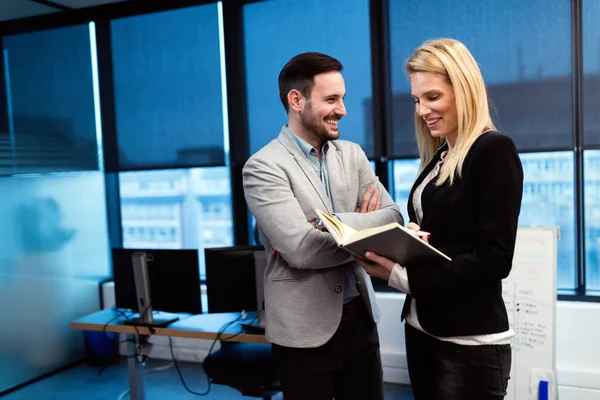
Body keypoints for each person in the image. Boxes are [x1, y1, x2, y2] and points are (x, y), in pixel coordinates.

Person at [355, 38, 524, 400]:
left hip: (467, 340)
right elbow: (447, 234)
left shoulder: (494, 151)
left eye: (432, 97)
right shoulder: (442, 154)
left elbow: (494, 258)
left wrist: (401, 276)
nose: (421, 110)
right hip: (422, 327)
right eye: (417, 100)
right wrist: (408, 239)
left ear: (463, 90)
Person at [243, 52, 403, 400]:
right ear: (296, 100)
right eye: (331, 99)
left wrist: (333, 225)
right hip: (303, 333)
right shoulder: (263, 167)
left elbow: (393, 218)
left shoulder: (352, 155)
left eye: (342, 98)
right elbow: (300, 250)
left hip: (361, 322)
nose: (342, 109)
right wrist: (363, 239)